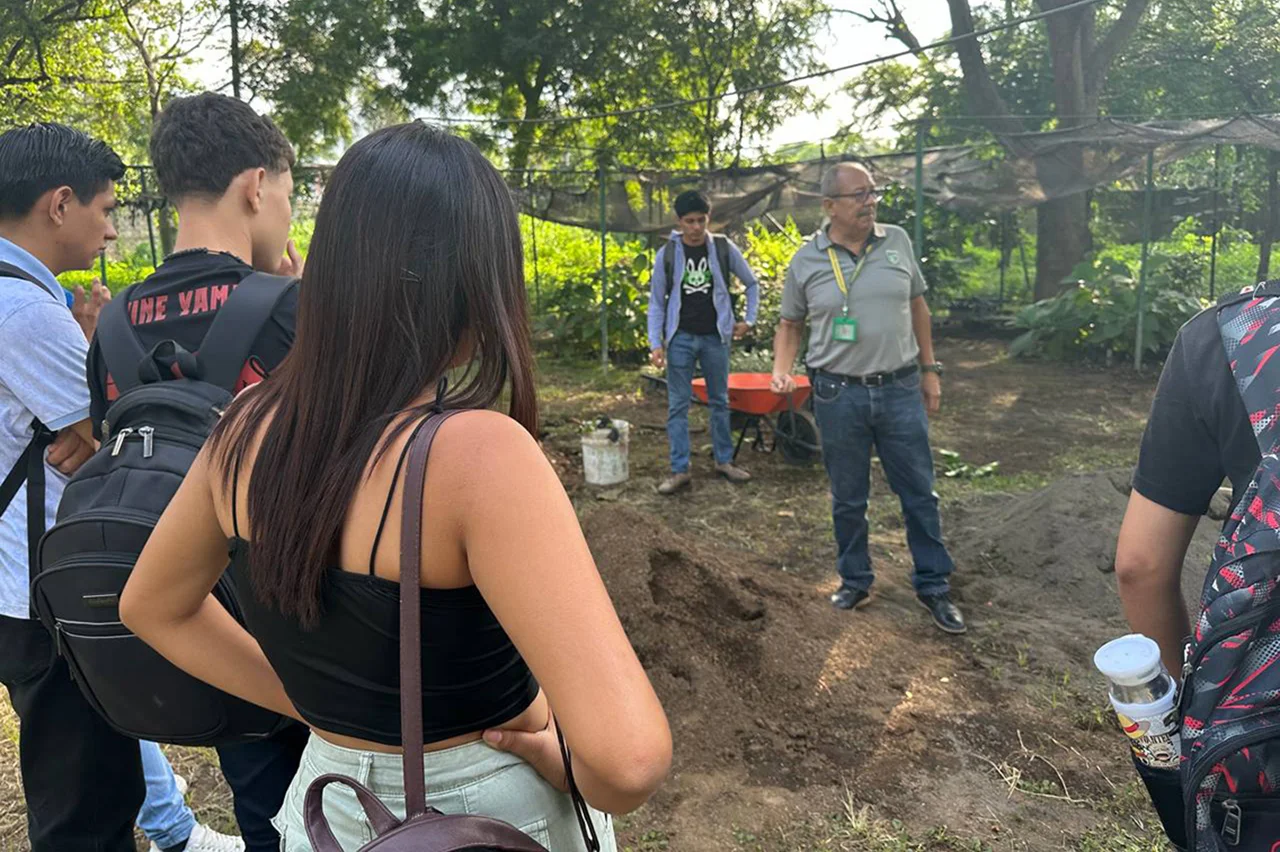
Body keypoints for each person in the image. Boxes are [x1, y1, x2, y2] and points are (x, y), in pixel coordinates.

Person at [119, 122, 672, 851]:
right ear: (480, 280)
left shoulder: (242, 431)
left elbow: (151, 605)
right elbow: (627, 762)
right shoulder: (478, 454)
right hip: (484, 815)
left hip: (327, 807)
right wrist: (563, 760)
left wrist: (321, 707)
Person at [0, 122, 233, 852]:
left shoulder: (26, 307)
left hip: (11, 586)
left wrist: (83, 414)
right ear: (59, 204)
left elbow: (84, 432)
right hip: (43, 589)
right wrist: (91, 423)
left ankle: (172, 827)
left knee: (84, 765)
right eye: (103, 210)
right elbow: (119, 438)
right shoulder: (29, 316)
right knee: (85, 805)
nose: (108, 230)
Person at [85, 93, 308, 852]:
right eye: (285, 191)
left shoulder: (113, 325)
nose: (284, 209)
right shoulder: (290, 308)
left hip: (197, 628)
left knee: (263, 815)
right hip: (305, 626)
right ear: (255, 186)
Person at [769, 162, 964, 634]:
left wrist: (929, 370)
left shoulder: (896, 241)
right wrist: (781, 369)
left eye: (872, 192)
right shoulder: (807, 259)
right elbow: (790, 324)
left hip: (898, 390)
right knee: (848, 498)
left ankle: (933, 585)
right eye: (858, 195)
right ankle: (855, 580)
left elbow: (919, 306)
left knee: (919, 492)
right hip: (837, 394)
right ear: (829, 205)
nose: (869, 201)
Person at [648, 189, 759, 494]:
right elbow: (657, 301)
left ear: (709, 219)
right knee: (677, 406)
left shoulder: (723, 249)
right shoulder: (668, 255)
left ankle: (724, 461)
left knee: (720, 402)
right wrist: (655, 342)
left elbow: (751, 283)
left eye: (701, 220)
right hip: (680, 338)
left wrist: (748, 320)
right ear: (679, 221)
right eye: (689, 221)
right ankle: (680, 469)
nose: (696, 228)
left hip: (715, 338)